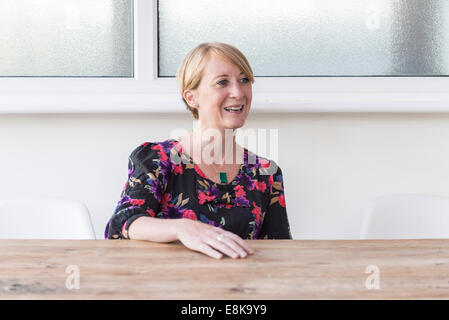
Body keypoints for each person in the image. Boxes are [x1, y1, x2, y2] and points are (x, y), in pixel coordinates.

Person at [105, 42, 292, 259]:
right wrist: (183, 228)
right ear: (191, 98)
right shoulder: (157, 159)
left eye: (244, 80)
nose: (238, 92)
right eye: (222, 82)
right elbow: (121, 226)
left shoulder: (266, 173)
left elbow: (281, 251)